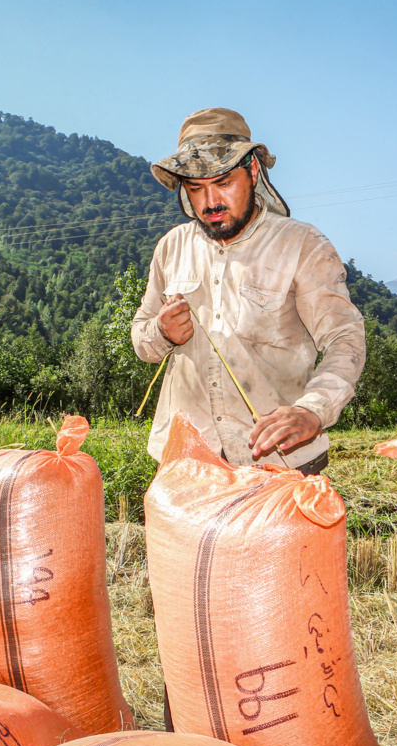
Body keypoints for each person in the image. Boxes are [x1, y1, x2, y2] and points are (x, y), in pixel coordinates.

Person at [131, 107, 365, 475]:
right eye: (196, 189)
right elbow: (141, 337)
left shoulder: (302, 245)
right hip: (187, 462)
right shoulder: (171, 248)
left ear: (253, 171)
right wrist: (159, 332)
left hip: (282, 463)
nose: (210, 203)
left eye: (224, 183)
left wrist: (313, 409)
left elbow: (345, 338)